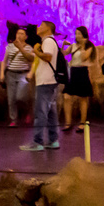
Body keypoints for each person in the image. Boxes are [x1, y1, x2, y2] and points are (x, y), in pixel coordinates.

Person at [22, 20, 62, 151]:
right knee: (51, 113)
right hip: (48, 81)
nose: (38, 27)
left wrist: (36, 51)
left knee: (41, 111)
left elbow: (47, 57)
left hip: (46, 81)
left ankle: (37, 142)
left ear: (48, 29)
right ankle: (53, 140)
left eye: (41, 26)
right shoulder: (46, 42)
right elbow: (33, 58)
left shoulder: (48, 41)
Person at [62, 26, 94, 132]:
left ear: (84, 35)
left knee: (83, 98)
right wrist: (63, 45)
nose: (77, 36)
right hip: (73, 71)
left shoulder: (89, 46)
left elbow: (84, 57)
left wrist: (83, 45)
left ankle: (82, 122)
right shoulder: (73, 45)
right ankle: (68, 122)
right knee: (66, 96)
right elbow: (63, 54)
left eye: (79, 34)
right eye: (76, 33)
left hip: (82, 71)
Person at [4, 26, 33, 126]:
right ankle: (14, 119)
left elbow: (31, 60)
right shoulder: (9, 47)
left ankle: (27, 111)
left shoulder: (29, 48)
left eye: (22, 34)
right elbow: (4, 61)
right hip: (11, 73)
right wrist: (1, 74)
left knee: (21, 97)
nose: (19, 35)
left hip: (23, 73)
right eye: (18, 33)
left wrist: (30, 73)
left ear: (26, 37)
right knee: (11, 98)